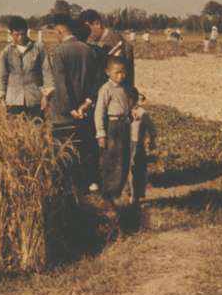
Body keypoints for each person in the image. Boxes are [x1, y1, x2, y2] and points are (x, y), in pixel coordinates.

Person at [46, 13, 99, 195]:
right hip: (86, 111)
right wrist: (85, 105)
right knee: (83, 148)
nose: (55, 36)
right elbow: (95, 82)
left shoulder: (60, 52)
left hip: (65, 115)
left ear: (60, 31)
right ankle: (86, 184)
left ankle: (68, 187)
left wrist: (70, 109)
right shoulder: (88, 49)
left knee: (64, 151)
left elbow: (61, 85)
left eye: (55, 32)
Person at [0, 16, 51, 120]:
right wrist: (2, 100)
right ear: (10, 34)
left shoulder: (38, 48)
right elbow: (2, 76)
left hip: (35, 98)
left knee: (37, 130)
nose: (20, 37)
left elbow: (47, 73)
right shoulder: (6, 52)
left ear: (27, 32)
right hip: (13, 100)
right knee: (14, 131)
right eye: (16, 35)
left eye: (23, 34)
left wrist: (46, 96)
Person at [94, 57, 133, 199]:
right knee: (111, 159)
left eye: (123, 72)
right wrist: (101, 133)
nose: (121, 76)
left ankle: (119, 190)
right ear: (107, 72)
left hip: (124, 124)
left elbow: (127, 105)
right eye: (117, 72)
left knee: (123, 158)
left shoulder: (125, 88)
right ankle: (109, 193)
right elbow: (99, 112)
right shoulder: (106, 89)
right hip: (113, 126)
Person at [80, 8, 135, 90]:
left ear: (97, 24)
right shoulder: (100, 40)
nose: (85, 32)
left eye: (87, 28)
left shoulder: (113, 41)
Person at [125, 92, 157, 205]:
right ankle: (127, 193)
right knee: (126, 169)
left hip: (137, 144)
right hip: (124, 144)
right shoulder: (122, 112)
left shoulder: (142, 113)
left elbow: (152, 128)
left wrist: (152, 141)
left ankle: (135, 195)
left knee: (136, 169)